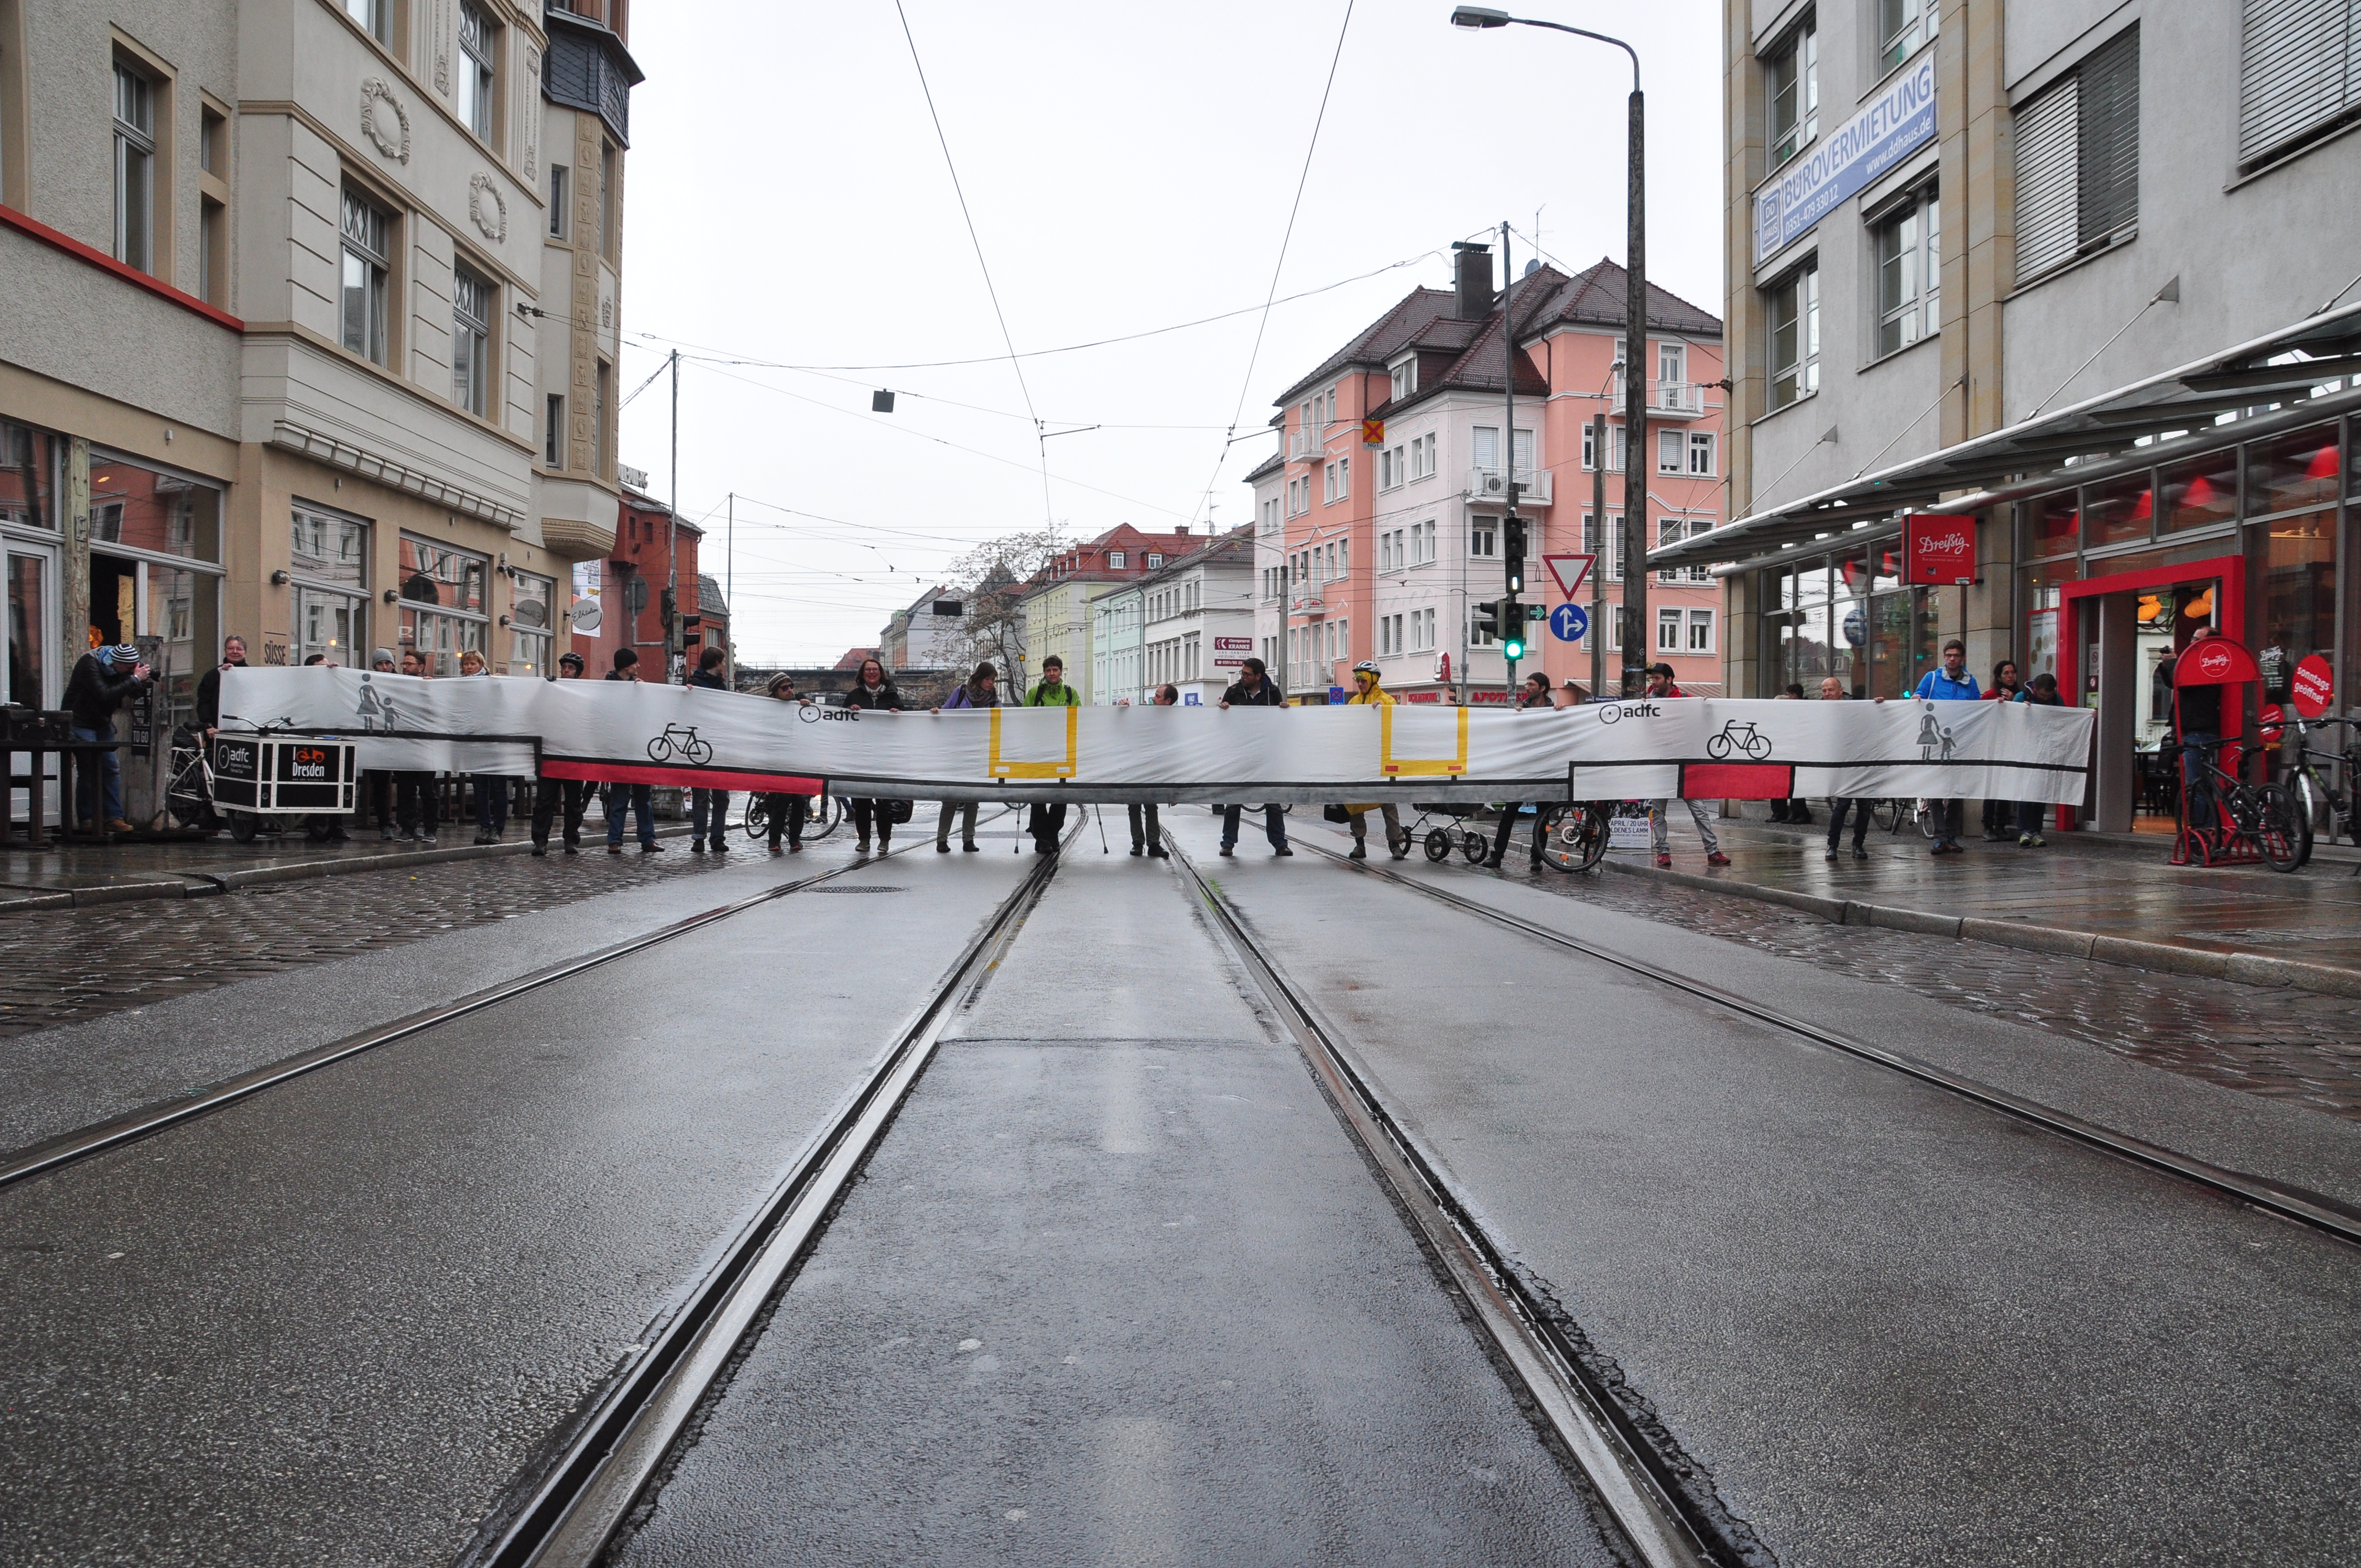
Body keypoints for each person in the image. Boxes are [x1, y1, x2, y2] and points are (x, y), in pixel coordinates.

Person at [1640, 663, 1729, 869]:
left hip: (1684, 764)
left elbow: (1706, 716)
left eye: (1657, 678)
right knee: (1659, 811)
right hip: (1661, 764)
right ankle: (1663, 852)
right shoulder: (1648, 703)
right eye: (1652, 678)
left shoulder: (1685, 700)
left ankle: (1712, 851)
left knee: (1699, 809)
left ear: (1669, 680)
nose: (1653, 682)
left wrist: (1705, 706)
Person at [64, 641, 154, 833]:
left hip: (102, 722)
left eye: (133, 667)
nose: (130, 671)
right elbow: (104, 694)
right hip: (79, 721)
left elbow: (133, 693)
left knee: (111, 768)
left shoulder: (122, 669)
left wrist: (140, 681)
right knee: (89, 769)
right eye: (128, 668)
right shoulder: (90, 665)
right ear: (116, 663)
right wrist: (134, 679)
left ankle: (113, 817)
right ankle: (87, 819)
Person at [1216, 656, 1290, 858]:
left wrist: (1283, 710)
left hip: (1266, 754)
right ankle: (1228, 843)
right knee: (1234, 801)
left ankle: (1280, 843)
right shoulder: (1234, 691)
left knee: (1273, 800)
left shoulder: (1272, 692)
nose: (1243, 677)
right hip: (1240, 753)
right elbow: (1223, 723)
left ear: (1258, 676)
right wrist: (1223, 709)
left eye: (1247, 674)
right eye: (1242, 673)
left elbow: (1279, 724)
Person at [1913, 638, 1981, 855]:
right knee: (1936, 791)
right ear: (1944, 657)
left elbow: (1978, 710)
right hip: (1936, 744)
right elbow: (1918, 698)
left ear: (1963, 658)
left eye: (1956, 656)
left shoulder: (1970, 682)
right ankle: (1940, 837)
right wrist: (1916, 698)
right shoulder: (1932, 678)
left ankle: (1950, 836)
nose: (1952, 659)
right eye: (1949, 656)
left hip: (1960, 743)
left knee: (1956, 792)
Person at [1483, 672, 1554, 869]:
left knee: (1544, 817)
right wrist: (1514, 718)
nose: (1527, 688)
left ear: (1543, 688)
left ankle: (1537, 858)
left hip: (1544, 770)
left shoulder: (1553, 710)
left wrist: (1562, 713)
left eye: (1531, 685)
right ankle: (1497, 855)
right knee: (1509, 814)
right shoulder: (1521, 710)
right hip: (1522, 769)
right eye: (1527, 684)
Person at [530, 650, 592, 856]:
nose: (566, 671)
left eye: (571, 668)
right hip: (551, 753)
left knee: (573, 801)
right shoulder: (552, 689)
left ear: (578, 672)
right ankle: (540, 840)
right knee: (544, 800)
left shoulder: (584, 693)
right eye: (564, 667)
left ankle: (571, 839)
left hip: (574, 754)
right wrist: (544, 688)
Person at [933, 661, 998, 852]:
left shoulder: (993, 699)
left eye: (993, 680)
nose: (991, 683)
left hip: (978, 753)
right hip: (957, 752)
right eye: (988, 679)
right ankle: (942, 839)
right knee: (951, 797)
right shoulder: (961, 692)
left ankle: (968, 839)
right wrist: (936, 713)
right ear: (979, 678)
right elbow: (946, 712)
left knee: (973, 798)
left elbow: (1001, 721)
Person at [842, 655, 902, 853]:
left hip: (886, 756)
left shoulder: (892, 695)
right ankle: (864, 839)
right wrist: (850, 711)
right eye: (868, 670)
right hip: (861, 756)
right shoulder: (854, 696)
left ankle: (884, 839)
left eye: (875, 669)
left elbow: (906, 720)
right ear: (862, 674)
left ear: (880, 673)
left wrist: (898, 714)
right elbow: (842, 722)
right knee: (862, 801)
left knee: (885, 800)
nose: (871, 672)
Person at [1020, 655, 1078, 854]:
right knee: (1038, 795)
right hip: (1039, 752)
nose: (1052, 673)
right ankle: (1043, 838)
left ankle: (1052, 834)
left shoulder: (1070, 693)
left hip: (1063, 752)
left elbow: (1078, 720)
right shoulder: (1035, 693)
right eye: (1048, 670)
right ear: (1044, 673)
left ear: (1061, 671)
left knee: (1060, 797)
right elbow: (1024, 719)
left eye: (1055, 670)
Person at [604, 646, 659, 854]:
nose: (639, 666)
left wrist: (643, 694)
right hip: (620, 750)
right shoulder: (608, 688)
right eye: (635, 663)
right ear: (627, 667)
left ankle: (647, 839)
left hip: (638, 749)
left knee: (643, 798)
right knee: (620, 798)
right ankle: (615, 840)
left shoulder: (637, 687)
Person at [458, 648, 514, 845]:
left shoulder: (493, 683)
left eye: (473, 664)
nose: (469, 667)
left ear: (481, 665)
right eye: (466, 664)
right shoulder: (460, 686)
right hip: (475, 744)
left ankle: (498, 828)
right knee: (480, 788)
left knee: (498, 788)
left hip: (496, 744)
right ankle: (484, 826)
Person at [759, 672, 814, 853]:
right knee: (781, 800)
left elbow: (811, 720)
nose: (790, 690)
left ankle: (795, 838)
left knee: (800, 800)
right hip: (778, 762)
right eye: (785, 688)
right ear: (776, 691)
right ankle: (774, 840)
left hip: (797, 761)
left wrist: (806, 705)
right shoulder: (768, 708)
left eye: (791, 686)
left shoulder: (798, 702)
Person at [1818, 675, 1872, 859]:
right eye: (1824, 691)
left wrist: (1879, 704)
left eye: (1831, 690)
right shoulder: (1817, 709)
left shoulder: (1857, 705)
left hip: (1860, 761)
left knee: (1864, 806)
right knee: (1843, 805)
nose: (1827, 694)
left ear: (1841, 691)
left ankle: (1858, 845)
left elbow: (1873, 717)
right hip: (1841, 763)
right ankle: (1832, 845)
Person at [684, 646, 732, 854]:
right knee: (702, 796)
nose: (725, 665)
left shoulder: (720, 685)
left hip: (719, 746)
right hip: (702, 746)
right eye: (723, 661)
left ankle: (716, 838)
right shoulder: (695, 685)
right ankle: (701, 838)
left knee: (720, 797)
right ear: (716, 663)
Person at [2012, 672, 2066, 847]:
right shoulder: (2022, 697)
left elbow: (2065, 718)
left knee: (2041, 793)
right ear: (2035, 689)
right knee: (2026, 792)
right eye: (2043, 696)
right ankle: (2024, 830)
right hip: (2025, 751)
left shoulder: (2056, 699)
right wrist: (2021, 711)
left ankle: (2036, 831)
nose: (2045, 699)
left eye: (2048, 696)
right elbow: (2010, 719)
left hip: (2045, 752)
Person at [1127, 683, 1179, 857]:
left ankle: (1153, 843)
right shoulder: (1144, 714)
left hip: (1155, 768)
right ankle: (1138, 843)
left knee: (1151, 806)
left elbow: (1174, 753)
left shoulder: (1174, 720)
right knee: (1134, 805)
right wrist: (1123, 708)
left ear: (1168, 701)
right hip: (1138, 766)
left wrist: (1173, 787)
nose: (1153, 699)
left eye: (1158, 696)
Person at [1980, 660, 2024, 840]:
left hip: (2011, 745)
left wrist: (2014, 702)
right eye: (2006, 673)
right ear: (1999, 677)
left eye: (2013, 672)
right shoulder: (1991, 695)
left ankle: (2001, 825)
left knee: (2006, 787)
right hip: (1993, 745)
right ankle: (1987, 826)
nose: (2010, 676)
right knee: (1992, 788)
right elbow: (1980, 713)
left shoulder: (2020, 695)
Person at [1768, 684, 1813, 826]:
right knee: (1786, 784)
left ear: (1793, 695)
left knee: (1794, 785)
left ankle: (1796, 813)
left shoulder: (1801, 709)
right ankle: (1790, 813)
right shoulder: (1802, 708)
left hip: (1793, 752)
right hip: (1788, 751)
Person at [195, 634, 247, 743]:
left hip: (246, 733)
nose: (235, 652)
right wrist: (208, 725)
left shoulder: (252, 675)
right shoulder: (213, 675)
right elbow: (204, 703)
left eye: (239, 649)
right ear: (225, 651)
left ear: (245, 652)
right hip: (216, 733)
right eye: (231, 648)